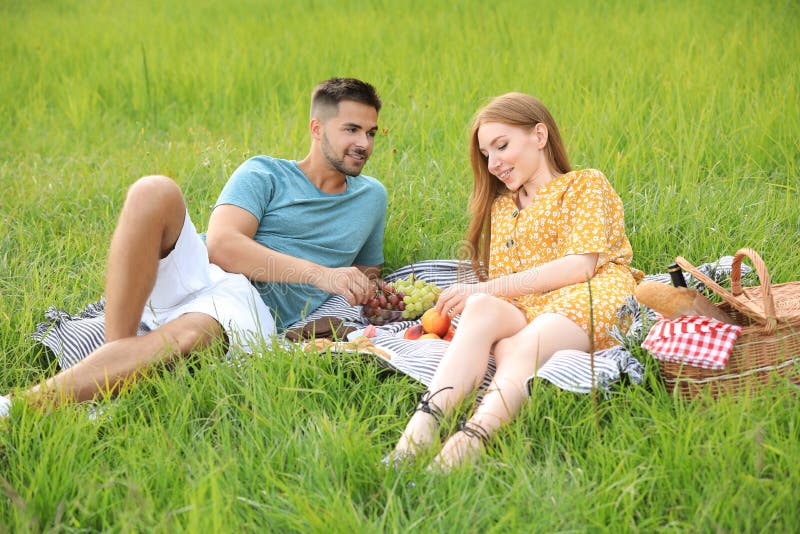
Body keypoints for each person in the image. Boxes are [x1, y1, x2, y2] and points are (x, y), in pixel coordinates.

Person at [1, 77, 386, 416]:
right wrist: (321, 275)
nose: (363, 143)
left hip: (248, 303)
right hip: (201, 269)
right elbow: (221, 246)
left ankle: (15, 409)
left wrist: (364, 300)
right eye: (351, 129)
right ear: (317, 128)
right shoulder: (264, 171)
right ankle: (115, 358)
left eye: (370, 133)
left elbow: (368, 277)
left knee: (192, 334)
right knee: (154, 190)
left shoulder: (372, 198)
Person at [386, 92, 641, 471]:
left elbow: (580, 267)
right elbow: (507, 287)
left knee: (520, 347)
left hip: (593, 293)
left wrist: (485, 287)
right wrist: (481, 297)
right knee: (481, 308)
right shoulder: (504, 207)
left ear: (539, 136)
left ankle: (469, 442)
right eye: (487, 154)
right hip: (534, 304)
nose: (493, 164)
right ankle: (420, 430)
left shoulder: (584, 185)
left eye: (501, 146)